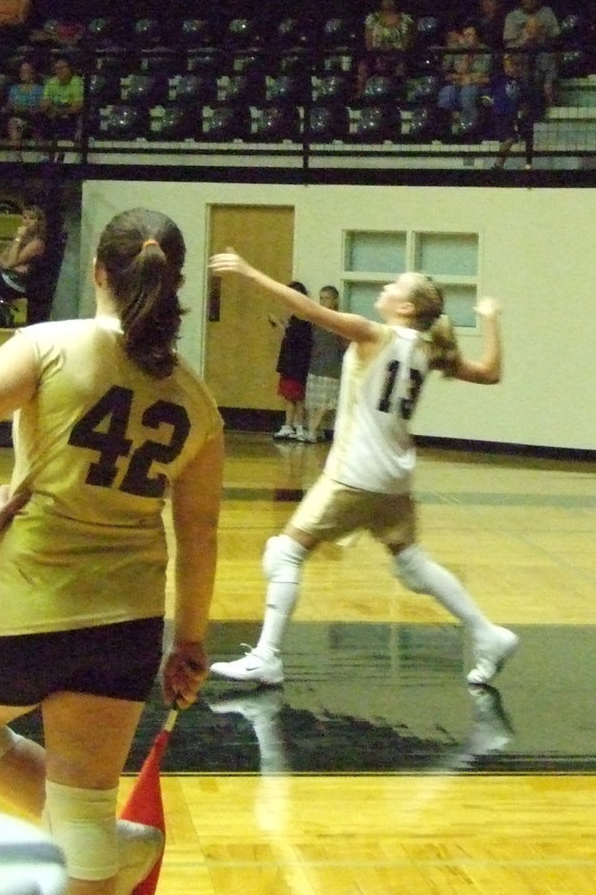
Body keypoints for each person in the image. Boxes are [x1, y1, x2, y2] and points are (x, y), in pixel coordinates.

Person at [0, 208, 225, 895]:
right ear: (176, 283)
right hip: (125, 625)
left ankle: (110, 840)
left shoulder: (48, 345)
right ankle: (111, 842)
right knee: (84, 814)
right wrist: (188, 642)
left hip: (24, 606)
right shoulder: (197, 401)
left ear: (99, 271)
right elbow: (199, 540)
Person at [207, 249, 517, 688]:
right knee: (411, 563)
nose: (386, 288)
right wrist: (489, 320)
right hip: (395, 475)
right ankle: (488, 633)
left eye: (396, 286)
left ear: (406, 308)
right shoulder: (428, 349)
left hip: (356, 473)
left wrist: (249, 270)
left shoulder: (374, 335)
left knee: (284, 552)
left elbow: (307, 310)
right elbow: (490, 373)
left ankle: (267, 656)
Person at [302, 285, 348, 443]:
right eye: (321, 298)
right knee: (312, 402)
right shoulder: (316, 319)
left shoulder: (340, 320)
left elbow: (345, 343)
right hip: (315, 363)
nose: (323, 301)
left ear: (335, 300)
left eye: (327, 298)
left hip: (332, 365)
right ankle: (316, 428)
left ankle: (312, 430)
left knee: (326, 400)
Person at [503, 0, 560, 109]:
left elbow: (555, 35)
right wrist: (526, 39)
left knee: (550, 59)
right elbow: (509, 44)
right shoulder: (512, 17)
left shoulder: (547, 12)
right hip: (520, 55)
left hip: (543, 52)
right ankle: (524, 100)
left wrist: (540, 35)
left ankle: (548, 94)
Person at [270, 281, 313, 441]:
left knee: (297, 397)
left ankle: (298, 426)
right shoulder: (297, 316)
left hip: (296, 363)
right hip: (291, 363)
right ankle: (290, 425)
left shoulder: (302, 317)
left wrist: (280, 324)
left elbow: (295, 338)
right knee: (290, 396)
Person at [356, 0, 414, 95]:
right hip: (376, 55)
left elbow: (407, 43)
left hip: (398, 55)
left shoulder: (405, 20)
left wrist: (394, 54)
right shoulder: (372, 19)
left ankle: (400, 94)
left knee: (401, 67)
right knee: (363, 66)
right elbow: (368, 43)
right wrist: (378, 55)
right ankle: (361, 94)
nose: (389, 2)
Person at [437, 21, 492, 119]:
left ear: (477, 37)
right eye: (465, 35)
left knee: (468, 92)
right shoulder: (460, 51)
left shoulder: (486, 52)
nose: (466, 38)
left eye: (470, 35)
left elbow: (484, 75)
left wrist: (469, 79)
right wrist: (466, 53)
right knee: (446, 91)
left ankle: (468, 125)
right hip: (460, 84)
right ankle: (443, 125)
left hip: (479, 86)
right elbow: (456, 72)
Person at [37, 55, 84, 145]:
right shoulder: (51, 82)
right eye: (57, 68)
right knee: (40, 118)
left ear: (70, 69)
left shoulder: (77, 82)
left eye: (62, 68)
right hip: (54, 114)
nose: (59, 71)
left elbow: (77, 106)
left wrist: (57, 109)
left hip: (70, 116)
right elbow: (43, 104)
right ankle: (44, 152)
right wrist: (52, 107)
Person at [3, 58, 45, 148]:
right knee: (13, 122)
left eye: (25, 71)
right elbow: (9, 105)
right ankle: (16, 156)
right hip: (17, 117)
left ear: (32, 73)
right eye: (21, 71)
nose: (22, 73)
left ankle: (43, 155)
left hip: (33, 117)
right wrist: (9, 107)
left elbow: (41, 107)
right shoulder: (14, 88)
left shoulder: (39, 89)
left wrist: (25, 108)